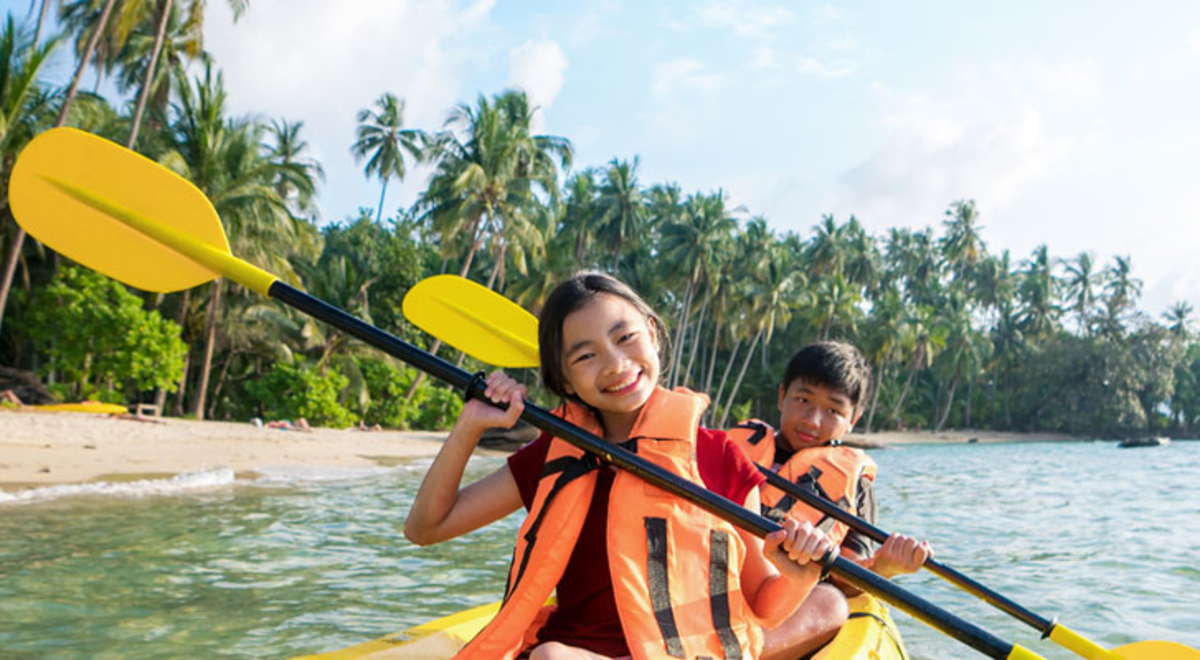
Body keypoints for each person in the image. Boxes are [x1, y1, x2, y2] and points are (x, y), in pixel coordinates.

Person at [405, 272, 835, 660]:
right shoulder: (558, 453)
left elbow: (763, 602)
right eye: (585, 356)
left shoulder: (721, 456)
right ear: (565, 380)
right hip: (577, 655)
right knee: (553, 659)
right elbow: (426, 528)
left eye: (625, 337)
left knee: (829, 601)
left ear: (651, 332)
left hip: (686, 652)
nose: (615, 364)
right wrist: (469, 426)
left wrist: (797, 577)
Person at [729, 341, 933, 660]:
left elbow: (845, 580)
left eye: (833, 410)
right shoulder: (734, 449)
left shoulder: (856, 488)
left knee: (831, 603)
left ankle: (730, 653)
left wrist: (883, 566)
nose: (813, 420)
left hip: (782, 606)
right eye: (802, 399)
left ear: (853, 419)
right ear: (782, 396)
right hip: (716, 580)